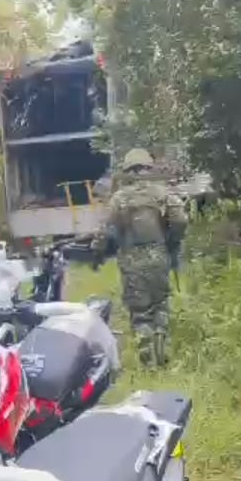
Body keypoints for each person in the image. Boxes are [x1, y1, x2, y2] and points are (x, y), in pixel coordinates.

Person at [92, 148, 187, 367]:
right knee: (160, 303)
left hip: (132, 260)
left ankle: (147, 357)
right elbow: (180, 220)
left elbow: (104, 230)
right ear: (148, 167)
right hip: (159, 255)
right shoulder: (162, 193)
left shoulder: (119, 198)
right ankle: (162, 344)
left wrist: (98, 251)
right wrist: (172, 240)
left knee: (140, 310)